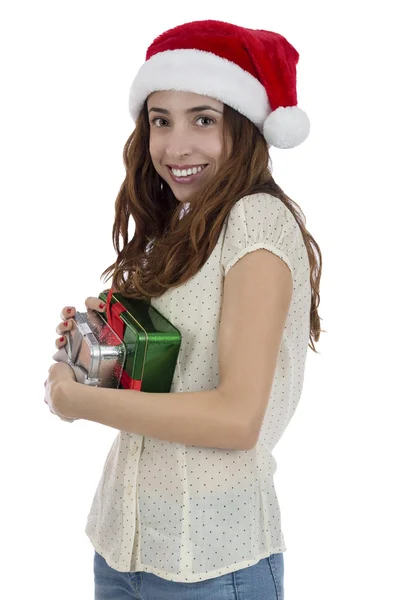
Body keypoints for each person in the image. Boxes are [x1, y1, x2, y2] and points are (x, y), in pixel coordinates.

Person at [45, 19, 324, 600]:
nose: (176, 147)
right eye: (159, 120)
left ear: (245, 127)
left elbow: (235, 419)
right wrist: (106, 346)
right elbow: (173, 375)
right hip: (124, 545)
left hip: (211, 563)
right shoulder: (180, 222)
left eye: (204, 119)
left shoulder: (256, 219)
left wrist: (81, 401)